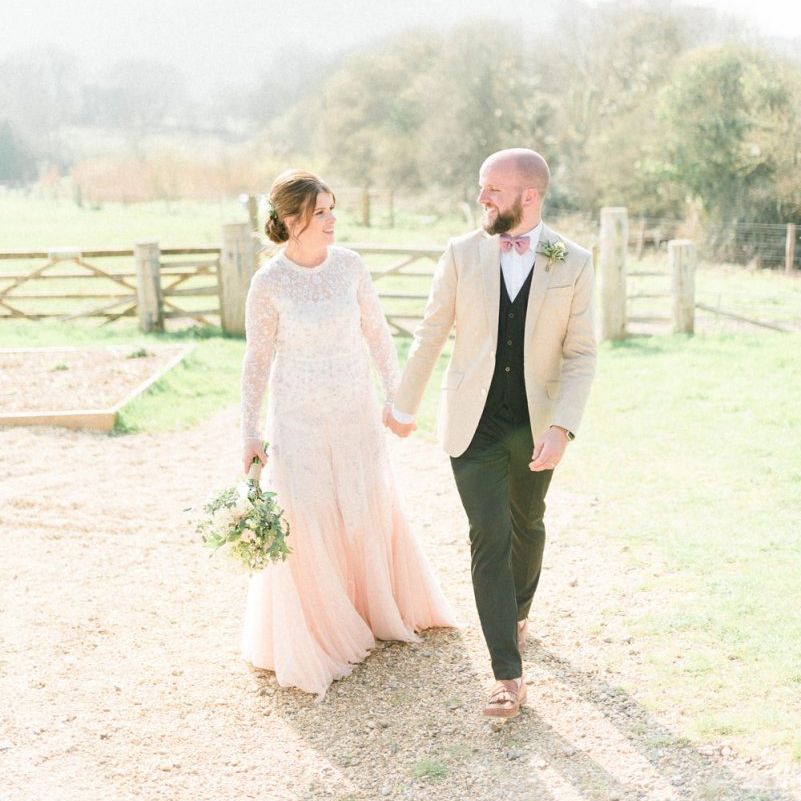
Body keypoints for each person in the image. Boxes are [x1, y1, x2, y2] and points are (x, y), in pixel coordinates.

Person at [386, 148, 596, 718]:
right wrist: (403, 406)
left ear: (529, 197)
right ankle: (507, 673)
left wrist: (562, 428)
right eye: (481, 187)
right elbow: (430, 334)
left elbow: (580, 356)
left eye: (493, 190)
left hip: (536, 424)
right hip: (471, 425)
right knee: (489, 533)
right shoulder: (459, 254)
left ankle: (517, 611)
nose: (482, 198)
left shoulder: (571, 261)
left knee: (527, 525)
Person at [239, 169, 455, 699]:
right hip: (298, 418)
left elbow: (378, 335)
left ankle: (375, 608)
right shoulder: (268, 283)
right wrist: (248, 431)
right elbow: (256, 360)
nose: (333, 220)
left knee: (362, 503)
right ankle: (322, 629)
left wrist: (396, 397)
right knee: (308, 513)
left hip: (355, 413)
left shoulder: (351, 267)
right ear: (292, 221)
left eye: (334, 209)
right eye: (322, 212)